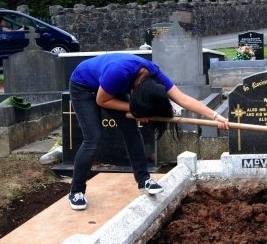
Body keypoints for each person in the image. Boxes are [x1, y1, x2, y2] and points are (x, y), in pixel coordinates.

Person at [67, 53, 229, 210]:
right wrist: (138, 110)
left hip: (111, 87)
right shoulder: (118, 73)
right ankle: (76, 191)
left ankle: (144, 180)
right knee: (93, 139)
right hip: (84, 86)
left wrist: (215, 116)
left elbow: (183, 99)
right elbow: (102, 100)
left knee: (131, 131)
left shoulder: (155, 74)